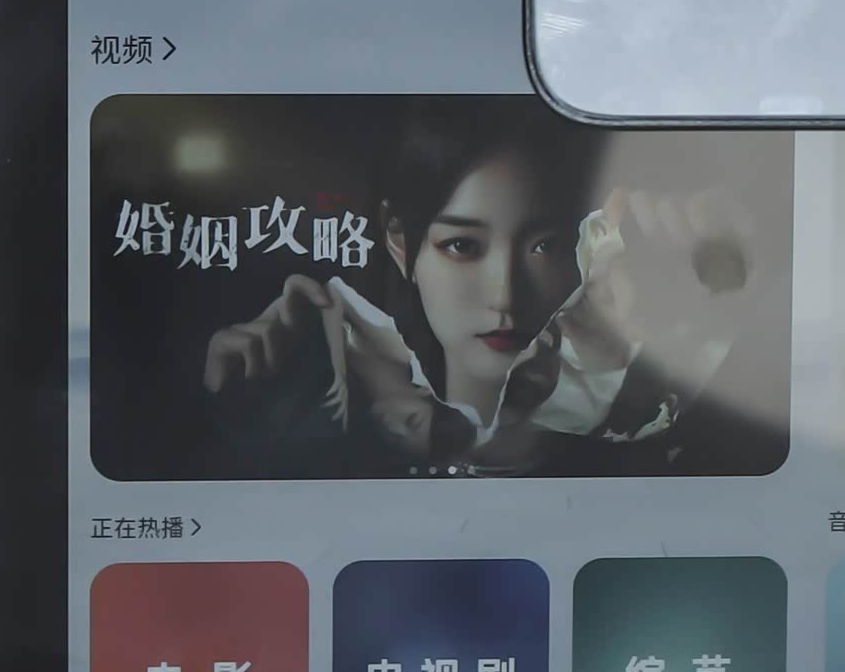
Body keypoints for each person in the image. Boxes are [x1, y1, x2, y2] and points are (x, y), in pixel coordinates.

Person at [200, 101, 778, 475]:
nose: (505, 294)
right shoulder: (335, 385)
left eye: (545, 245)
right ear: (401, 244)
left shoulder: (645, 417)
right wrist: (249, 413)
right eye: (462, 246)